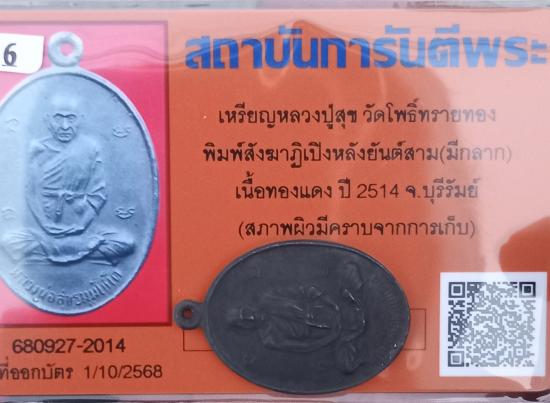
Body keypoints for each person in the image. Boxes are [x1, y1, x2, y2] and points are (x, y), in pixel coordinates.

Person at [2, 92, 134, 265]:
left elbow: (98, 194)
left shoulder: (90, 148)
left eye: (71, 118)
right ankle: (78, 253)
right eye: (58, 118)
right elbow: (29, 192)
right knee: (8, 241)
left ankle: (48, 254)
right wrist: (45, 224)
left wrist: (81, 225)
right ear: (48, 120)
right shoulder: (37, 149)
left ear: (80, 120)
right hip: (44, 230)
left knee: (126, 243)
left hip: (81, 227)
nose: (64, 126)